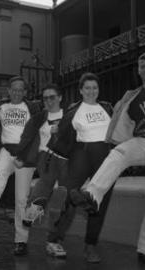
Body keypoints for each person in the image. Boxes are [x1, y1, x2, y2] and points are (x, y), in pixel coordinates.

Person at [70, 53, 145, 263]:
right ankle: (90, 197)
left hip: (107, 156)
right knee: (118, 154)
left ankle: (142, 249)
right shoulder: (133, 96)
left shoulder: (111, 106)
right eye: (142, 66)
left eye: (94, 88)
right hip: (137, 144)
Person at [45, 72, 114, 262]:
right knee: (68, 195)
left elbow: (118, 131)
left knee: (99, 200)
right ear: (81, 91)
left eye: (95, 88)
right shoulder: (75, 110)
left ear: (98, 90)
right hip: (82, 154)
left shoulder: (107, 108)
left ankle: (90, 246)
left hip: (104, 157)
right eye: (87, 88)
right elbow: (61, 137)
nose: (91, 91)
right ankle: (54, 240)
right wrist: (54, 133)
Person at [0, 75, 39, 256]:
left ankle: (21, 241)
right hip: (6, 149)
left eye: (21, 89)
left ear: (25, 92)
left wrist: (32, 156)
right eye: (14, 89)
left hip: (25, 154)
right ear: (8, 90)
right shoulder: (0, 108)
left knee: (21, 199)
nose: (17, 92)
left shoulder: (32, 108)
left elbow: (38, 133)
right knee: (1, 173)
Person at [13, 83, 68, 258]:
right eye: (45, 98)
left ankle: (53, 239)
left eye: (52, 97)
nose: (49, 101)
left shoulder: (69, 116)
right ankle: (32, 210)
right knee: (45, 183)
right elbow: (27, 136)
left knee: (62, 197)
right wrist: (21, 156)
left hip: (66, 159)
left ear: (60, 97)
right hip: (47, 157)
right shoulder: (38, 118)